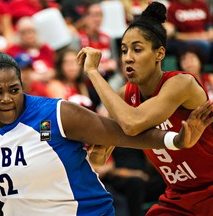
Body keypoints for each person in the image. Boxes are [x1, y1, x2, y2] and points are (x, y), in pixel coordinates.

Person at [0, 52, 212, 216]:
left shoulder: (58, 113)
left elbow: (122, 134)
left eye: (14, 90)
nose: (7, 99)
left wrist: (175, 140)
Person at [77, 2, 213, 215]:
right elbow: (99, 160)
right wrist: (95, 148)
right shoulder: (125, 96)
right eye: (123, 50)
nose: (128, 57)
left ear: (160, 54)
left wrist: (93, 73)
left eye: (137, 49)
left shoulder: (181, 84)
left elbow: (133, 124)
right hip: (179, 194)